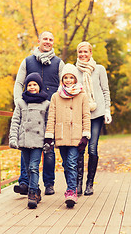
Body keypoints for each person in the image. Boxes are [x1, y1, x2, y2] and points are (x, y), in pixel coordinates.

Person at [13, 31, 65, 195]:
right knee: (26, 145)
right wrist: (18, 103)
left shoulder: (58, 63)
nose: (48, 42)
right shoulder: (28, 61)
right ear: (39, 41)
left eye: (51, 39)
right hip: (29, 111)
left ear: (53, 42)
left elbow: (64, 85)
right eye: (45, 39)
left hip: (49, 112)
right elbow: (19, 83)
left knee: (48, 148)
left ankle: (49, 183)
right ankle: (24, 183)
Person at [44, 63, 91, 208]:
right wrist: (49, 136)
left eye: (71, 77)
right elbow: (51, 116)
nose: (69, 80)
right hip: (61, 135)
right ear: (62, 79)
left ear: (76, 79)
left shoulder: (82, 96)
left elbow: (86, 116)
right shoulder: (55, 96)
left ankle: (71, 191)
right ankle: (71, 189)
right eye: (66, 77)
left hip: (76, 136)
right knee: (66, 164)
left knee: (71, 163)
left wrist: (85, 135)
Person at [75, 41, 112, 196]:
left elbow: (105, 91)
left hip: (96, 114)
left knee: (92, 148)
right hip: (79, 114)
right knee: (80, 148)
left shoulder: (99, 69)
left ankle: (90, 183)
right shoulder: (73, 70)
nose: (83, 55)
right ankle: (77, 184)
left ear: (90, 53)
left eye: (86, 52)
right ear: (77, 53)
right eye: (80, 52)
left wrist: (107, 110)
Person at [9, 72, 50, 208]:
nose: (32, 87)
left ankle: (32, 193)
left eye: (35, 84)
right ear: (26, 87)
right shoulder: (21, 103)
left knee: (34, 167)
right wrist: (13, 138)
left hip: (38, 141)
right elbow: (15, 121)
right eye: (29, 85)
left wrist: (49, 140)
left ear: (40, 86)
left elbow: (48, 123)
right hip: (24, 140)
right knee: (27, 169)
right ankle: (36, 189)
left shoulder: (46, 104)